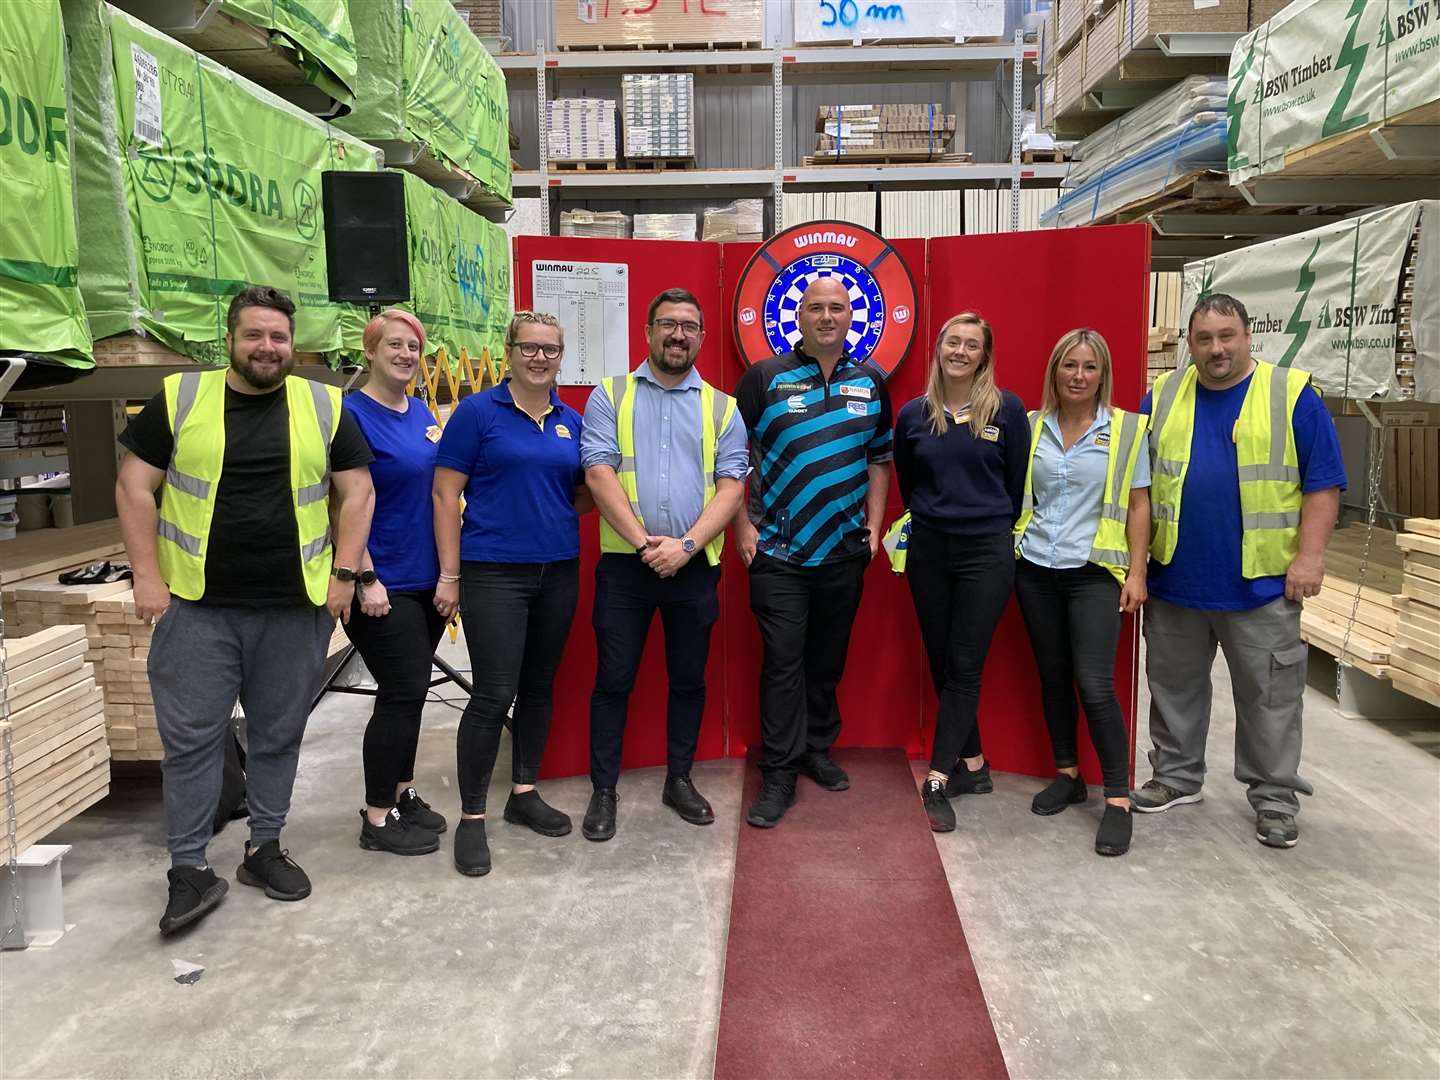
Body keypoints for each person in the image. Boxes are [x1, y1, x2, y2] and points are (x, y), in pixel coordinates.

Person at [115, 285, 375, 935]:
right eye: (255, 335)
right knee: (192, 742)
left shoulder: (324, 405)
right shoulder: (180, 397)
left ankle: (263, 848)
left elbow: (358, 491)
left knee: (278, 733)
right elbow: (133, 486)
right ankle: (190, 868)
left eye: (279, 337)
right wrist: (147, 577)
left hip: (294, 607)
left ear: (293, 345)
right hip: (197, 608)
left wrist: (345, 576)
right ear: (228, 338)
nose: (267, 347)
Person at [1133, 293, 1344, 850]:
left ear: (1248, 336)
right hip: (1177, 577)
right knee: (1173, 688)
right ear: (1190, 344)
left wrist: (1311, 557)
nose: (1216, 349)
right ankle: (1177, 777)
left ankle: (1274, 798)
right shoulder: (1164, 394)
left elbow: (1323, 483)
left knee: (1270, 697)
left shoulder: (1290, 394)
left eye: (1226, 336)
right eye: (1204, 339)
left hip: (1263, 584)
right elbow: (1139, 483)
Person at [578, 288, 748, 842]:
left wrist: (688, 546)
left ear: (701, 336)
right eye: (668, 324)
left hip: (694, 568)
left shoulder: (722, 406)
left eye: (689, 326)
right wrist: (649, 544)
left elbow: (731, 487)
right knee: (614, 680)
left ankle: (679, 779)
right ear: (648, 332)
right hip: (627, 568)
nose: (678, 335)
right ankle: (604, 790)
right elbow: (599, 473)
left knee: (688, 680)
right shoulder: (610, 394)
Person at [732, 276, 893, 828]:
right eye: (816, 308)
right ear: (797, 318)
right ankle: (778, 772)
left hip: (845, 552)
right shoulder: (764, 379)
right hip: (778, 551)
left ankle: (816, 749)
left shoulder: (871, 381)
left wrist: (874, 527)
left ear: (853, 317)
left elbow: (879, 458)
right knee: (783, 663)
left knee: (826, 661)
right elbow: (733, 457)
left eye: (838, 307)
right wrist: (741, 529)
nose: (827, 316)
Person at [433, 311, 589, 877]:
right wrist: (450, 576)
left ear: (560, 356)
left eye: (550, 349)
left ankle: (523, 792)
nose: (540, 358)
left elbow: (582, 494)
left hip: (558, 572)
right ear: (510, 352)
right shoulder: (477, 414)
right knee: (494, 692)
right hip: (493, 573)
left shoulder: (571, 420)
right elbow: (446, 495)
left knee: (539, 686)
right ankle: (472, 818)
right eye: (529, 348)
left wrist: (540, 518)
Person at [1012, 329, 1150, 857]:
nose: (1078, 376)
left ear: (1102, 375)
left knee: (1094, 685)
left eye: (1089, 367)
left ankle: (1117, 799)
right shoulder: (1029, 427)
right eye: (1069, 365)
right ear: (1055, 371)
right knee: (1052, 677)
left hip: (1095, 570)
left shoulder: (1126, 431)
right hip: (1036, 567)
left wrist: (1136, 573)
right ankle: (1067, 775)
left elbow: (1140, 505)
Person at [892, 312, 1028, 833]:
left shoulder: (1007, 410)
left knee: (966, 666)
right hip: (929, 549)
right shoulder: (913, 415)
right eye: (954, 341)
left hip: (985, 553)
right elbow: (909, 482)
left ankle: (938, 777)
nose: (961, 351)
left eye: (973, 345)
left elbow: (1014, 488)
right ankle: (974, 765)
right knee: (942, 658)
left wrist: (981, 523)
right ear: (939, 349)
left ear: (984, 355)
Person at [341, 309, 449, 857]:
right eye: (395, 345)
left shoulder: (421, 413)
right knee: (402, 692)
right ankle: (377, 815)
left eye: (414, 346)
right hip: (380, 582)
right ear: (371, 351)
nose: (406, 354)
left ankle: (402, 791)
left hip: (426, 578)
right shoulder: (350, 415)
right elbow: (337, 502)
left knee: (411, 697)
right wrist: (363, 576)